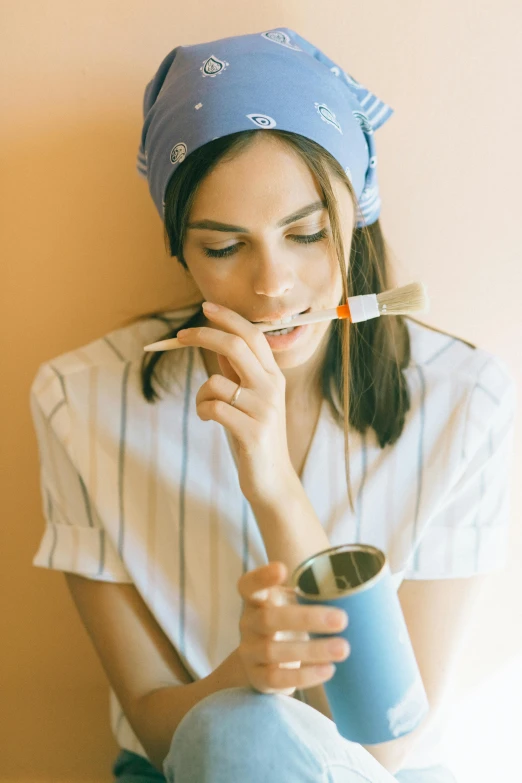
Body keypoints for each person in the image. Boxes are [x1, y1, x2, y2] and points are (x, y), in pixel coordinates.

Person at [29, 27, 517, 783]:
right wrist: (243, 679)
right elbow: (161, 731)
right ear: (181, 249)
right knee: (238, 729)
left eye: (308, 234)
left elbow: (385, 741)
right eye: (224, 248)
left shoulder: (467, 402)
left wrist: (272, 485)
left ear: (356, 218)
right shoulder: (80, 401)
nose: (273, 286)